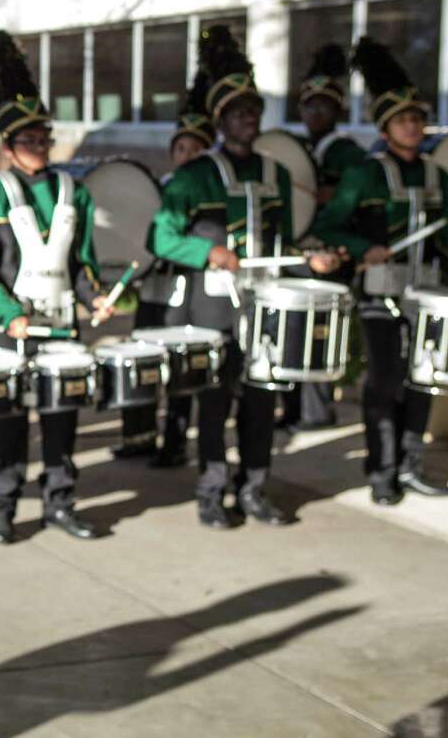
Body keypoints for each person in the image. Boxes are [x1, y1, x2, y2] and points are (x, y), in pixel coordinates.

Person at [149, 26, 342, 529]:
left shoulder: (275, 173)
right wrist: (206, 250)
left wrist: (309, 261)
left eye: (254, 112)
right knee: (214, 406)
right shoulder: (195, 176)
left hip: (265, 304)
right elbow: (160, 238)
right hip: (213, 307)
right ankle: (211, 491)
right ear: (220, 120)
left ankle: (254, 488)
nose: (248, 120)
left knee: (261, 404)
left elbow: (279, 246)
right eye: (238, 113)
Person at [0, 31, 113, 544]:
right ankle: (2, 505)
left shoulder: (75, 191)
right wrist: (7, 314)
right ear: (7, 146)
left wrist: (96, 298)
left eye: (44, 137)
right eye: (28, 140)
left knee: (62, 419)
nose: (39, 146)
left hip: (62, 326)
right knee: (8, 421)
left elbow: (82, 261)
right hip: (12, 327)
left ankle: (61, 502)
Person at [312, 37, 448, 505]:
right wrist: (363, 248)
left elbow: (443, 240)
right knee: (385, 380)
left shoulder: (437, 174)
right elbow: (329, 225)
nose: (414, 125)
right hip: (380, 291)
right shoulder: (364, 175)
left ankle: (411, 464)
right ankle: (381, 468)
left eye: (418, 118)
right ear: (386, 130)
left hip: (425, 290)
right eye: (404, 119)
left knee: (422, 376)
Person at [117, 77, 214, 469]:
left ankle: (174, 442)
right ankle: (138, 436)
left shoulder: (206, 191)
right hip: (152, 291)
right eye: (181, 148)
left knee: (178, 368)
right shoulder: (159, 188)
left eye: (195, 148)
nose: (186, 154)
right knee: (141, 360)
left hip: (185, 293)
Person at [277, 44, 365, 433]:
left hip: (328, 256)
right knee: (288, 327)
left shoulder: (346, 152)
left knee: (316, 333)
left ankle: (316, 410)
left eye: (324, 107)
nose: (315, 113)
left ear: (338, 111)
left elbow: (357, 202)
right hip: (299, 252)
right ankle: (292, 408)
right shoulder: (297, 148)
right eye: (309, 106)